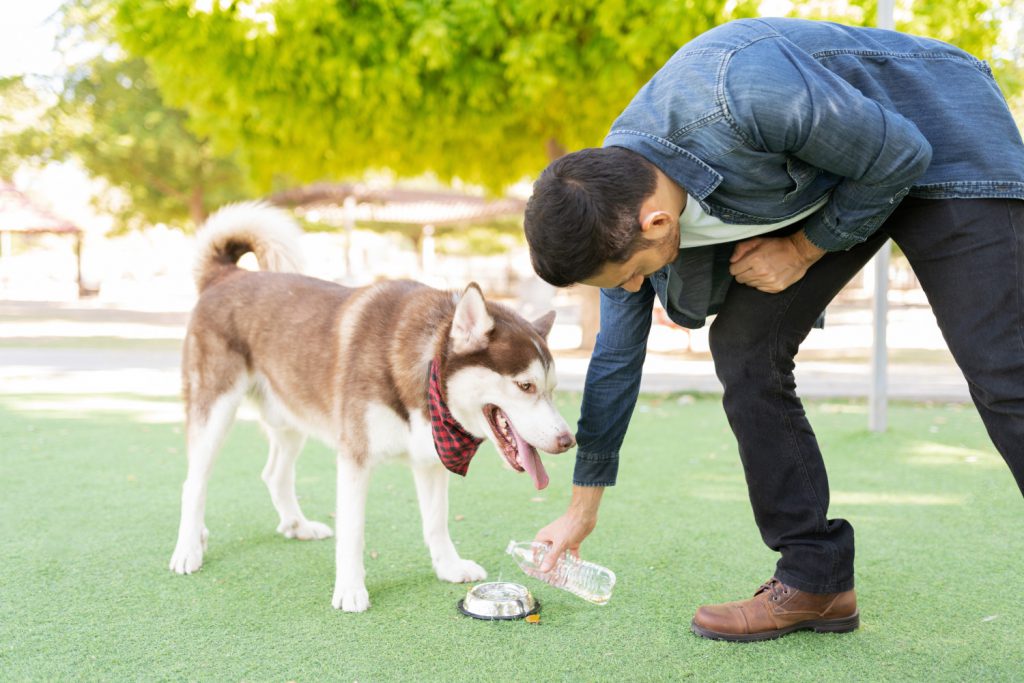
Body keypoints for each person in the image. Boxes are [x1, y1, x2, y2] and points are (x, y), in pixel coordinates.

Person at [522, 17, 1024, 642]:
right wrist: (581, 509)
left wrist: (807, 248)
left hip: (943, 137)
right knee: (744, 348)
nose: (631, 290)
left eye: (628, 278)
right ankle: (816, 580)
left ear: (655, 223)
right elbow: (617, 355)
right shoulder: (609, 205)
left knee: (1004, 370)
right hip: (844, 176)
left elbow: (901, 154)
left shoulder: (743, 92)